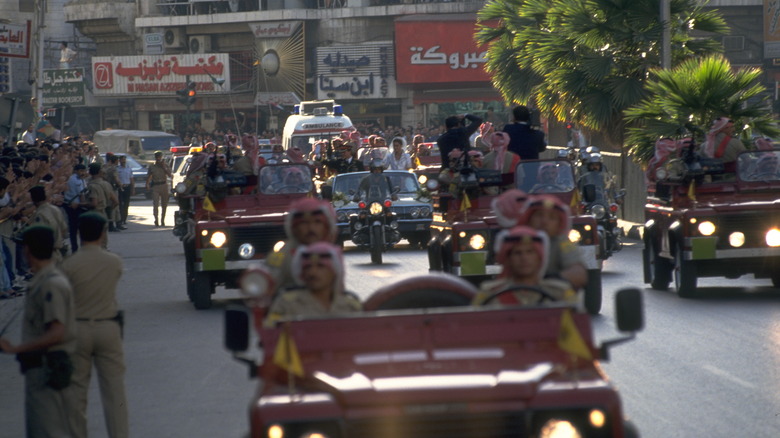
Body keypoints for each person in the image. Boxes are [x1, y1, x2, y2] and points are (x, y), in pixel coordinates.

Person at [0, 225, 77, 438]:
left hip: (49, 370)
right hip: (40, 370)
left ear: (28, 250)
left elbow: (57, 332)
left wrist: (16, 348)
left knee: (49, 429)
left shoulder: (51, 283)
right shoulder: (43, 280)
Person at [62, 213, 128, 438]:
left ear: (79, 233)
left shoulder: (68, 265)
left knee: (76, 392)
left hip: (78, 328)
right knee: (114, 390)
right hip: (107, 327)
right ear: (103, 233)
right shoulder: (114, 262)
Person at [471, 225, 578, 306]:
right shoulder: (489, 293)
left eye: (530, 252)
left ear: (539, 258)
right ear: (508, 259)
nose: (524, 258)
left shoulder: (560, 292)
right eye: (517, 253)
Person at [266, 242, 362, 326]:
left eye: (320, 266)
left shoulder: (351, 306)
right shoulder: (285, 304)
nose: (312, 272)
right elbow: (270, 334)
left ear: (334, 272)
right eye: (307, 267)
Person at [265, 198, 338, 294]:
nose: (311, 228)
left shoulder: (332, 253)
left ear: (327, 227)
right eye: (304, 223)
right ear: (294, 228)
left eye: (317, 222)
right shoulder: (282, 254)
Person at [520, 195, 587, 290]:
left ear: (559, 223)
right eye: (539, 215)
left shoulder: (563, 244)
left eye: (552, 217)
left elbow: (579, 273)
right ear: (529, 219)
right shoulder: (516, 241)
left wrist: (551, 278)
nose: (544, 221)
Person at [27, 185, 69, 262]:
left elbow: (40, 237)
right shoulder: (55, 209)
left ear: (33, 199)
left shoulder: (39, 214)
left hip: (46, 255)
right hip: (58, 252)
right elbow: (64, 229)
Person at [63, 164, 89, 252]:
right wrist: (84, 205)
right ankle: (76, 248)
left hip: (75, 205)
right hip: (75, 206)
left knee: (74, 228)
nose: (83, 173)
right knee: (76, 228)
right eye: (81, 171)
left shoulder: (81, 179)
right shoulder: (75, 180)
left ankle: (76, 247)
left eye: (84, 171)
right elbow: (82, 194)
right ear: (76, 171)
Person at [145, 151, 172, 227]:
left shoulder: (165, 165)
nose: (159, 159)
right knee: (155, 204)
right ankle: (156, 219)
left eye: (160, 157)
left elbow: (170, 175)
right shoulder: (152, 166)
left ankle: (162, 220)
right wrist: (147, 184)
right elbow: (149, 176)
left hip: (164, 185)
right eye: (157, 157)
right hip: (155, 186)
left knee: (164, 204)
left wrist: (163, 167)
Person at [116, 155, 134, 227]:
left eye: (124, 160)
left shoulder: (128, 169)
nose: (124, 161)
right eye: (122, 160)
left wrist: (133, 189)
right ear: (119, 161)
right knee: (120, 204)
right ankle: (120, 219)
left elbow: (131, 179)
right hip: (120, 187)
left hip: (127, 187)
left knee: (126, 204)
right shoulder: (117, 169)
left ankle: (124, 219)